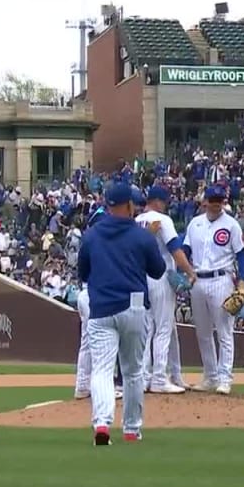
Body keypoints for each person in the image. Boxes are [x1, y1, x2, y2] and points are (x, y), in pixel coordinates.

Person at [78, 182, 166, 446]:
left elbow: (82, 273)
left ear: (108, 205)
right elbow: (158, 271)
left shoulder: (91, 235)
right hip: (134, 306)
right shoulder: (142, 236)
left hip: (102, 308)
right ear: (128, 205)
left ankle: (102, 424)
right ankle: (131, 429)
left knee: (102, 371)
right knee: (133, 371)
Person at [182, 184, 244, 395]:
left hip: (221, 278)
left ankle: (225, 378)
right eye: (213, 201)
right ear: (205, 202)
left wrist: (243, 281)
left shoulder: (231, 225)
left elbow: (241, 254)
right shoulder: (195, 224)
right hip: (197, 279)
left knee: (224, 332)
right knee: (202, 332)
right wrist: (180, 267)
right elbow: (185, 249)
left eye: (220, 201)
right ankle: (210, 376)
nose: (216, 205)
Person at [135, 185, 197, 393]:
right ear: (159, 201)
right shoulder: (163, 220)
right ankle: (159, 378)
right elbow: (175, 249)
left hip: (139, 279)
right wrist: (189, 271)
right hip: (160, 277)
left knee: (147, 329)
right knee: (162, 329)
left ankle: (144, 378)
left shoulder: (135, 221)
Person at [73, 205, 123, 401]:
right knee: (105, 341)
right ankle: (106, 385)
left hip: (85, 294)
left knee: (87, 343)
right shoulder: (102, 244)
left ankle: (82, 386)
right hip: (96, 295)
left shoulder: (90, 242)